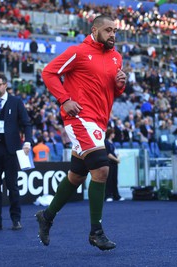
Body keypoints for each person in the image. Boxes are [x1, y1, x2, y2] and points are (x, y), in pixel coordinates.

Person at [36, 15, 127, 251]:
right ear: (94, 30)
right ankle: (96, 232)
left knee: (76, 176)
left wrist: (120, 85)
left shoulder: (117, 57)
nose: (112, 35)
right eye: (108, 30)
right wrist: (64, 100)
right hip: (78, 118)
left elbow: (111, 93)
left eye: (114, 31)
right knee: (102, 168)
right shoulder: (78, 52)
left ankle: (47, 216)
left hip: (99, 124)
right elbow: (48, 72)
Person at [0, 73, 33, 231]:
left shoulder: (16, 102)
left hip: (11, 150)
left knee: (12, 186)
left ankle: (16, 219)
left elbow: (27, 123)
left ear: (5, 85)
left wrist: (28, 142)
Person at [104, 128, 124, 202]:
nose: (114, 135)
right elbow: (108, 154)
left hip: (114, 163)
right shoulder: (106, 142)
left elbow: (116, 152)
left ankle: (116, 195)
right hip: (109, 163)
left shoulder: (112, 143)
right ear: (110, 134)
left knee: (115, 180)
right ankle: (108, 195)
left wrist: (118, 158)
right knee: (109, 179)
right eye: (113, 133)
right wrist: (116, 159)